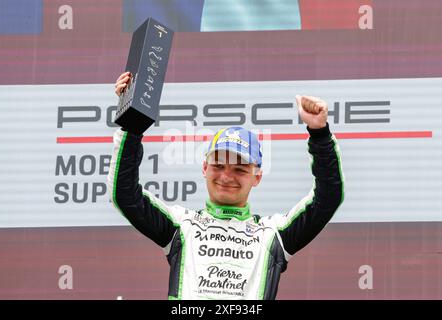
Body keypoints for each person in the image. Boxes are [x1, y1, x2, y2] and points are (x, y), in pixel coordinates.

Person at [107, 72, 344, 300]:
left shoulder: (273, 234)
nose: (227, 176)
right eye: (219, 165)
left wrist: (319, 134)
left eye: (240, 169)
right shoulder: (181, 225)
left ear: (257, 177)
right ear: (204, 169)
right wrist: (132, 123)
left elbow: (328, 198)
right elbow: (125, 194)